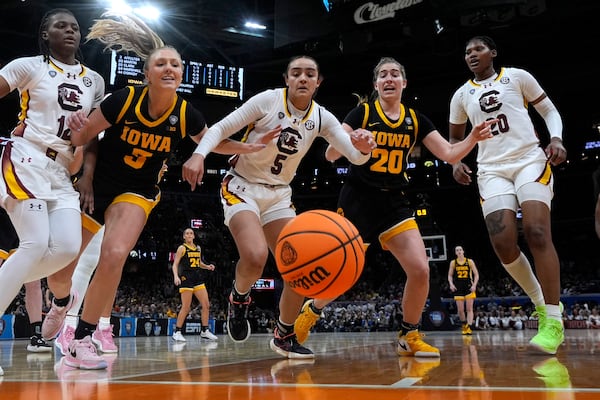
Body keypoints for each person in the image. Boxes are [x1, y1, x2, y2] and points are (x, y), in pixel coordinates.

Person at [42, 12, 274, 370]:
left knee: (115, 253)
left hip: (137, 192)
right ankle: (60, 302)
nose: (169, 69)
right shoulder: (123, 100)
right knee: (61, 271)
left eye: (176, 65)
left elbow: (213, 141)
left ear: (181, 75)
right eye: (161, 64)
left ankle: (83, 337)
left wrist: (250, 148)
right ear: (147, 73)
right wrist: (76, 131)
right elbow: (82, 139)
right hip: (98, 187)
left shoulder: (186, 113)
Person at [292, 56, 496, 357]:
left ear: (404, 83)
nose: (389, 78)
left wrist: (473, 138)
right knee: (343, 273)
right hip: (358, 198)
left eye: (395, 74)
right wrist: (352, 141)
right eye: (383, 75)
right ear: (376, 84)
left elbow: (450, 154)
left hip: (394, 201)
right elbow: (330, 155)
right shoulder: (362, 112)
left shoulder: (416, 120)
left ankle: (408, 334)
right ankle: (314, 308)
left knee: (420, 270)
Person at [182, 55, 377, 359]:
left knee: (301, 266)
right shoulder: (268, 101)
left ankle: (284, 334)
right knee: (256, 255)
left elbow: (354, 155)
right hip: (241, 186)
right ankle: (239, 296)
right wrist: (199, 155)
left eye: (309, 74)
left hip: (278, 196)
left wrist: (364, 149)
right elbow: (220, 128)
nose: (302, 78)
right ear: (287, 78)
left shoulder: (323, 117)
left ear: (317, 82)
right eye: (296, 73)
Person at [448, 35, 565, 354]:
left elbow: (550, 111)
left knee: (537, 231)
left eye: (478, 49)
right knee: (503, 244)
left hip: (529, 159)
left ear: (493, 53)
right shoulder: (461, 95)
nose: (472, 54)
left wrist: (556, 139)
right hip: (491, 169)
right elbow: (454, 139)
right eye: (467, 51)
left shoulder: (518, 76)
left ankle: (552, 320)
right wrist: (456, 161)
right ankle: (541, 303)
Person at [0, 8, 104, 351]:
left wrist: (87, 174)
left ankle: (12, 277)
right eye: (61, 26)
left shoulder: (95, 81)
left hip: (62, 169)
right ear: (46, 34)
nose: (70, 31)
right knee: (34, 243)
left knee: (67, 248)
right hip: (26, 156)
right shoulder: (29, 66)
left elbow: (91, 138)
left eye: (75, 27)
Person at [171, 227, 218, 342]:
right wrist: (176, 276)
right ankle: (177, 332)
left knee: (206, 304)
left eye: (191, 233)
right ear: (184, 237)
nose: (189, 235)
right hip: (186, 278)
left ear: (194, 236)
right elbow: (175, 264)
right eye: (187, 233)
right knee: (186, 307)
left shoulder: (198, 248)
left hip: (197, 278)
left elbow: (199, 263)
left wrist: (207, 266)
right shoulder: (182, 248)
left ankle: (205, 330)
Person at [448, 245, 480, 335]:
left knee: (469, 309)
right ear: (455, 253)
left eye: (460, 250)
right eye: (457, 250)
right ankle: (464, 325)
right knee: (460, 310)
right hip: (458, 286)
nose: (459, 251)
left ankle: (469, 327)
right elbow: (450, 275)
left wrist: (474, 285)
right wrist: (451, 284)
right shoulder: (453, 262)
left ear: (463, 251)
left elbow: (476, 275)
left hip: (468, 285)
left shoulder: (469, 261)